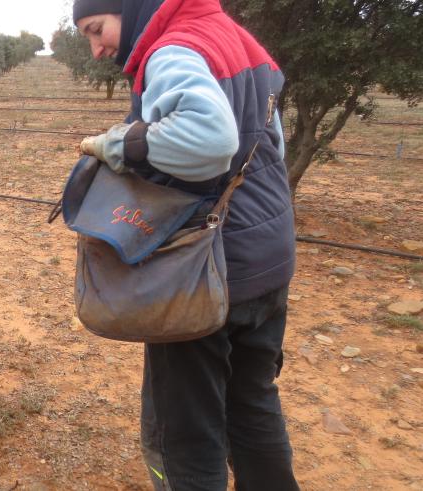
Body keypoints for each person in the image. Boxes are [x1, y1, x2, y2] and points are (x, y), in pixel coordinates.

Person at [72, 0, 299, 489]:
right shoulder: (238, 39)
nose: (94, 49)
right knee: (252, 405)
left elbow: (211, 140)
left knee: (184, 433)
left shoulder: (172, 48)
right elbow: (270, 140)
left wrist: (117, 143)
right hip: (267, 259)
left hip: (205, 271)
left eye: (96, 28)